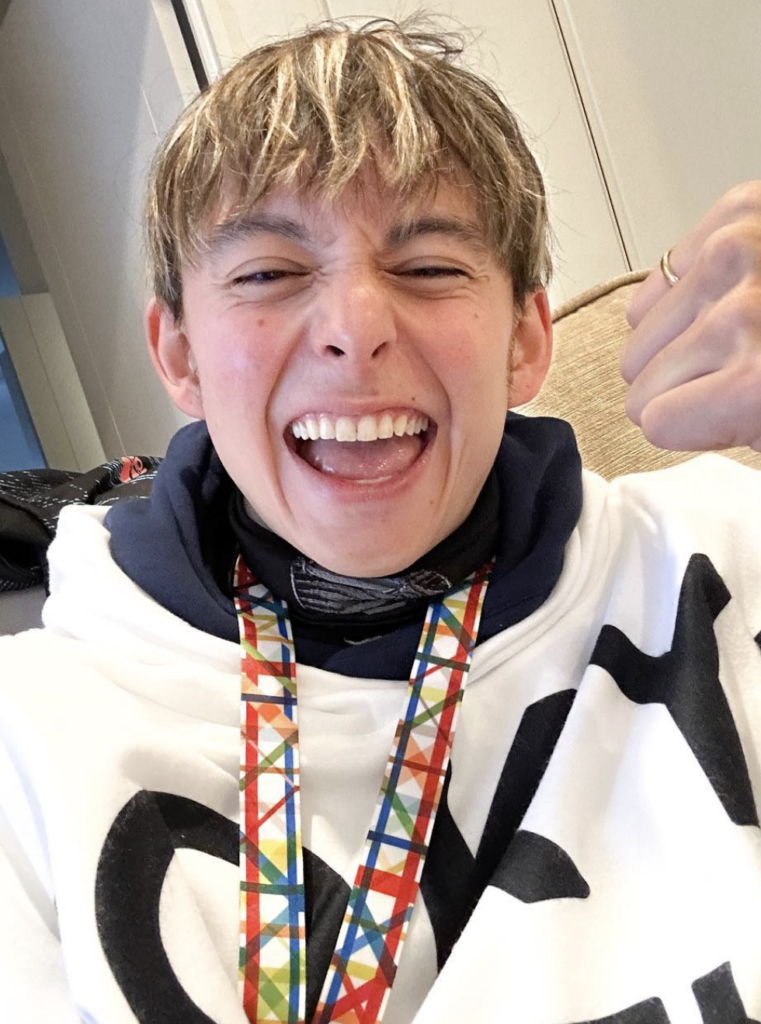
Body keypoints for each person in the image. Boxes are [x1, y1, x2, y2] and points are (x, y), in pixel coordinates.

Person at [1, 18, 761, 1024]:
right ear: (178, 355)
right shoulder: (27, 743)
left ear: (525, 338)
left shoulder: (724, 549)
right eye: (268, 273)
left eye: (429, 266)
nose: (355, 329)